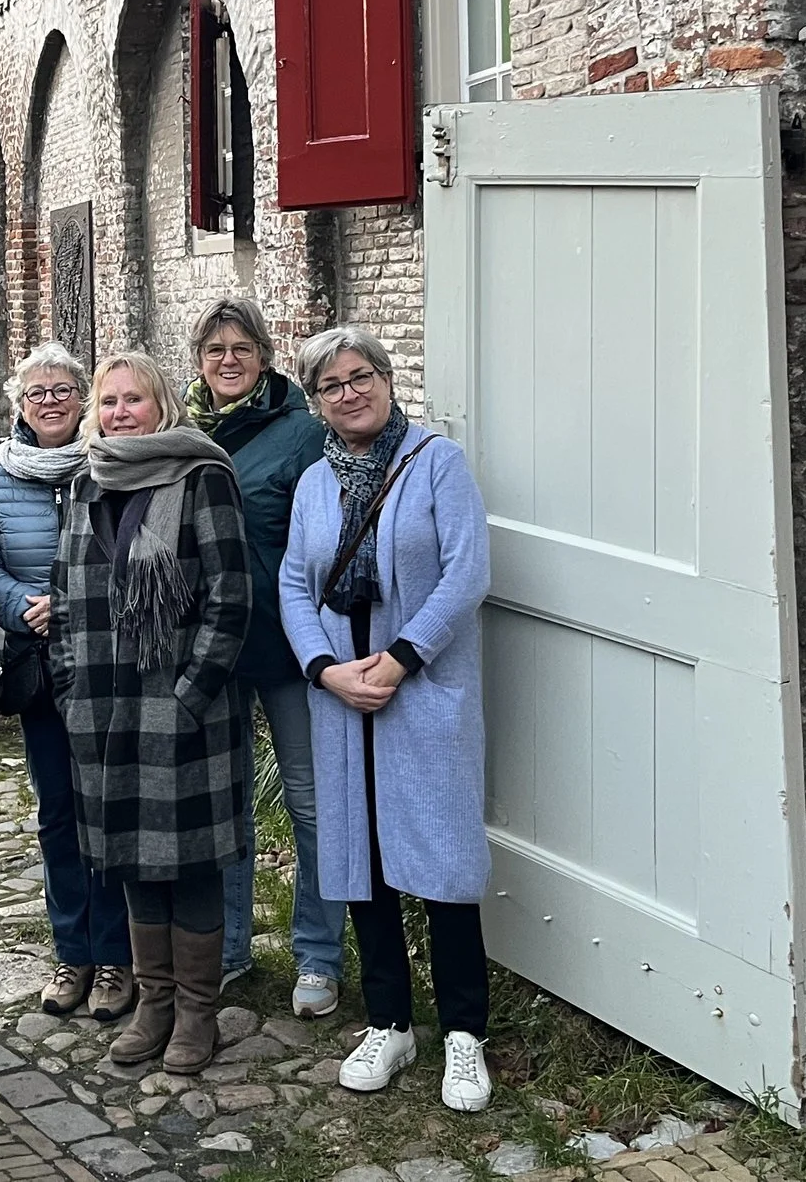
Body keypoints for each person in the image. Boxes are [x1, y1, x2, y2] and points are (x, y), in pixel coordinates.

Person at [278, 326, 493, 1112]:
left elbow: (468, 571)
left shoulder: (437, 463)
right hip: (342, 699)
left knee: (441, 863)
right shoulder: (312, 485)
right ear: (318, 402)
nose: (349, 392)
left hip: (421, 691)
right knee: (360, 860)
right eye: (330, 385)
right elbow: (295, 587)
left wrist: (402, 658)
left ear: (387, 376)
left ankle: (464, 1032)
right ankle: (391, 1020)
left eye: (359, 375)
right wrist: (326, 670)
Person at [51, 351, 249, 1077]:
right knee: (133, 860)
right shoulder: (81, 483)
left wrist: (188, 695)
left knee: (190, 863)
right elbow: (65, 596)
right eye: (108, 401)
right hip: (103, 708)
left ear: (161, 405)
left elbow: (231, 600)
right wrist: (68, 686)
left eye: (134, 399)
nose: (120, 412)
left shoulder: (203, 478)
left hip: (183, 712)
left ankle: (197, 1011)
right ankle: (154, 1002)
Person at [184, 297, 346, 1017]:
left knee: (309, 802)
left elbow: (328, 538)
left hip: (287, 643)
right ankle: (226, 946)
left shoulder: (302, 434)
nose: (227, 359)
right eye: (214, 348)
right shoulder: (181, 432)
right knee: (224, 805)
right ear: (198, 360)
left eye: (240, 346)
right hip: (212, 649)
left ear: (264, 353)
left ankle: (318, 954)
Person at [0, 342, 133, 1024]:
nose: (49, 402)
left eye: (63, 390)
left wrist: (70, 602)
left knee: (113, 809)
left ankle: (118, 955)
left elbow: (132, 556)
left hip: (107, 666)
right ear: (19, 404)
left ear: (82, 398)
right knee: (59, 812)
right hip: (38, 666)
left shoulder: (114, 467)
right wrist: (21, 606)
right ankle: (73, 951)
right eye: (36, 392)